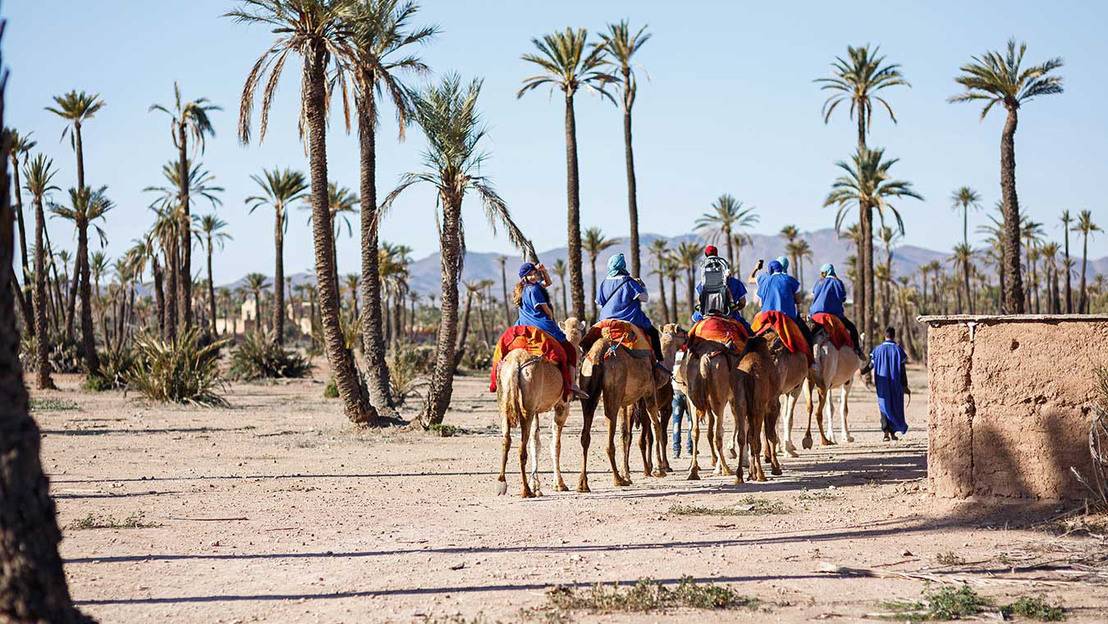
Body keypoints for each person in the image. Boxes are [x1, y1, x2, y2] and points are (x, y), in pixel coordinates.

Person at [514, 262, 587, 399]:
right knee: (571, 350)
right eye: (530, 274)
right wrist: (551, 318)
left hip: (523, 325)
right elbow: (546, 310)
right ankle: (572, 384)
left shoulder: (523, 289)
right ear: (524, 277)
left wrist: (544, 270)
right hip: (541, 325)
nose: (534, 276)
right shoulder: (535, 290)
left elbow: (548, 283)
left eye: (534, 273)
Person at [595, 252, 664, 361]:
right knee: (654, 333)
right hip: (630, 320)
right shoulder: (629, 282)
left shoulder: (603, 283)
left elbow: (599, 303)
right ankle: (658, 363)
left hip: (605, 321)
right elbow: (644, 298)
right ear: (623, 265)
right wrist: (642, 286)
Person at [750, 257, 815, 346]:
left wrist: (756, 268)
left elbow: (750, 279)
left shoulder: (764, 279)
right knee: (807, 336)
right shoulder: (790, 280)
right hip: (787, 317)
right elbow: (799, 300)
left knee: (750, 334)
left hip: (767, 316)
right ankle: (810, 357)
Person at [809, 263, 867, 361]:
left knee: (808, 334)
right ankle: (857, 349)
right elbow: (843, 298)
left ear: (825, 272)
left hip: (816, 316)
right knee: (852, 328)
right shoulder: (837, 282)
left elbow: (814, 294)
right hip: (833, 315)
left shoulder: (819, 282)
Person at [691, 245, 752, 333]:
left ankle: (688, 345)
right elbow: (742, 303)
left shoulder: (702, 284)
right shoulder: (736, 283)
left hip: (705, 314)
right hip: (730, 315)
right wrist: (734, 307)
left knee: (692, 332)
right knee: (749, 333)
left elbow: (699, 302)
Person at [871, 326, 909, 441]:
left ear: (885, 335)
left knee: (883, 406)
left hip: (882, 384)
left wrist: (862, 371)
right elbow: (902, 370)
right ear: (894, 336)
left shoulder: (877, 350)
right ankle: (892, 433)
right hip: (896, 384)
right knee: (894, 406)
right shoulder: (898, 350)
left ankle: (886, 433)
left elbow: (870, 365)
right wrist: (905, 385)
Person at [670, 349, 692, 457]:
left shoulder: (673, 355)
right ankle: (690, 448)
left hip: (676, 393)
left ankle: (676, 450)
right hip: (689, 394)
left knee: (676, 423)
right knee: (691, 422)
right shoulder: (690, 355)